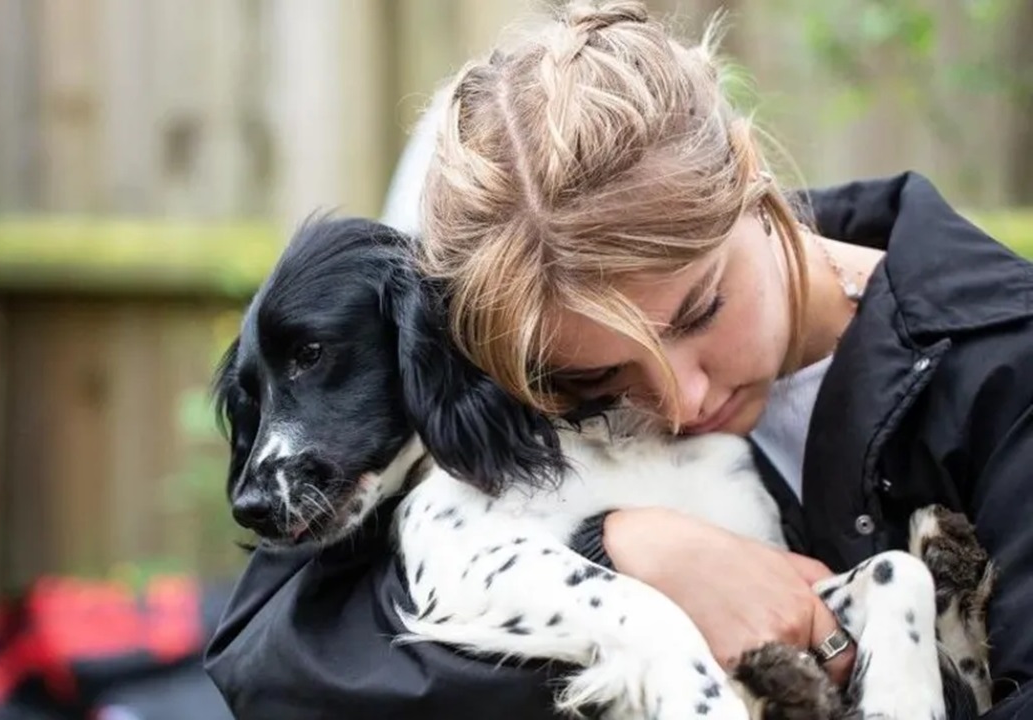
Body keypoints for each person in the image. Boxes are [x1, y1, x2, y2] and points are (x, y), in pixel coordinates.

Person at [204, 2, 1033, 717]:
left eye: (702, 310)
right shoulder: (504, 387)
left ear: (747, 173)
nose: (679, 400)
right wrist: (624, 552)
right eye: (599, 381)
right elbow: (268, 660)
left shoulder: (1005, 368)